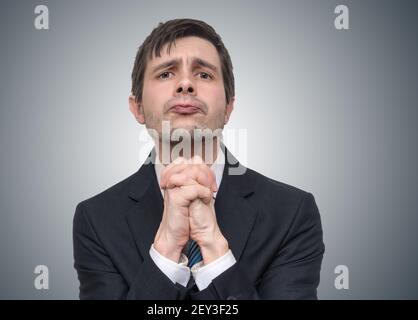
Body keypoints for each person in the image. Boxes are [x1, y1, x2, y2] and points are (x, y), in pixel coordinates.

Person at [73, 18, 325, 300]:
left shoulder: (291, 213)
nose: (185, 84)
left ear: (229, 107)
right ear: (138, 108)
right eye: (166, 74)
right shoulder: (96, 219)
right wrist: (166, 250)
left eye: (204, 75)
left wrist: (216, 252)